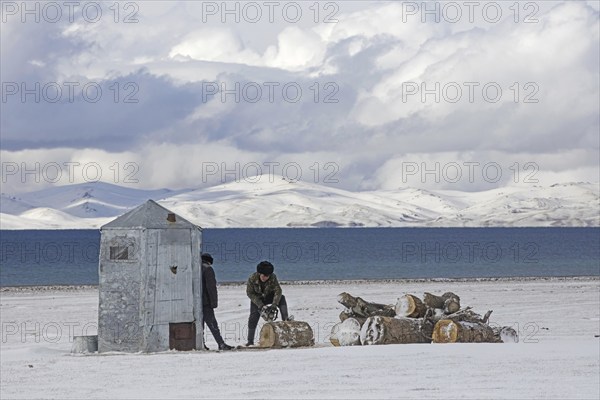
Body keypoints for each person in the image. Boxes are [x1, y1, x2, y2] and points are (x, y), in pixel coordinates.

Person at [245, 260, 291, 346]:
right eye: (263, 275)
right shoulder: (252, 278)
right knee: (253, 319)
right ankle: (250, 341)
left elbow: (278, 291)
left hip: (269, 296)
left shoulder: (273, 277)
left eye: (267, 276)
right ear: (259, 273)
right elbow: (250, 293)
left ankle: (286, 320)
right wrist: (261, 305)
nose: (264, 277)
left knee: (282, 298)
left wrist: (274, 305)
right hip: (257, 299)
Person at [201, 253, 233, 351]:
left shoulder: (195, 268)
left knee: (199, 325)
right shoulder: (208, 269)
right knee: (212, 324)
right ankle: (221, 343)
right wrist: (214, 303)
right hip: (206, 302)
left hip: (195, 303)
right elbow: (211, 288)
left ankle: (201, 344)